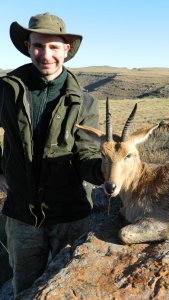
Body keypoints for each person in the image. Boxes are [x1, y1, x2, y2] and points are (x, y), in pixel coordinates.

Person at [0, 12, 104, 296]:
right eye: (38, 45)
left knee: (70, 287)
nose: (45, 54)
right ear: (27, 44)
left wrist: (104, 170)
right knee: (24, 286)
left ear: (66, 50)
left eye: (54, 46)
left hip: (70, 215)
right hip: (21, 214)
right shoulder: (7, 90)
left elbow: (86, 153)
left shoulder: (84, 102)